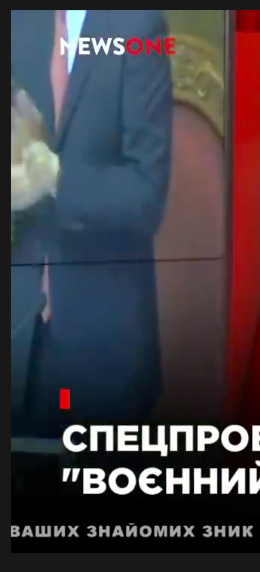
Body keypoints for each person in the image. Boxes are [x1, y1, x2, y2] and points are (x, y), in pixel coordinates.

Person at [11, 10, 173, 435]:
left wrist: (57, 177)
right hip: (17, 334)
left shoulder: (139, 27)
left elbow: (146, 198)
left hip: (101, 344)